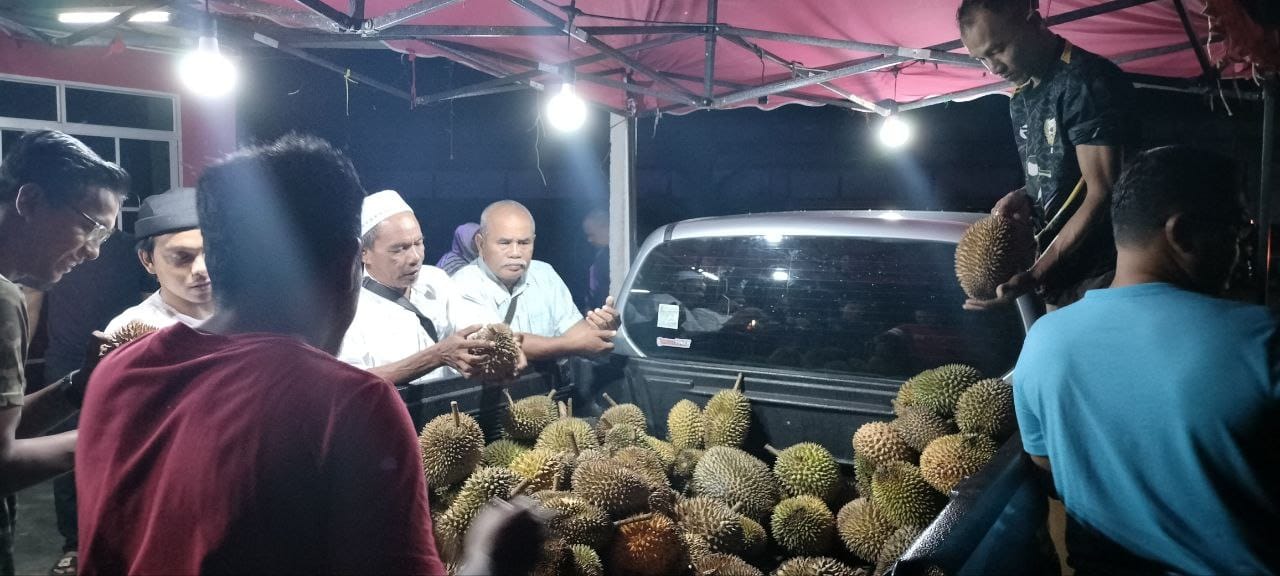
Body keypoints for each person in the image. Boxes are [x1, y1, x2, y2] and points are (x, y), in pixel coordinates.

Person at [75, 135, 540, 574]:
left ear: (215, 259)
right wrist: (487, 557)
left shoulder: (118, 371)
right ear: (349, 263)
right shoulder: (349, 405)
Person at [1013, 146, 1277, 573]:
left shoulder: (1043, 341)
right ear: (1183, 232)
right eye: (1234, 230)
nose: (1240, 249)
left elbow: (1047, 471)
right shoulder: (1263, 341)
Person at [0, 130, 128, 576]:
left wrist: (79, 387)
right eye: (90, 227)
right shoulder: (2, 298)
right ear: (30, 201)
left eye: (105, 238)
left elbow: (5, 433)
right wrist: (126, 436)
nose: (92, 252)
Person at [957, 0, 1137, 310]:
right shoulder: (1021, 96)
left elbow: (1104, 190)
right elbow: (1060, 174)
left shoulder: (1086, 81)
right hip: (1057, 277)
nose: (993, 67)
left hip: (1104, 275)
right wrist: (1024, 194)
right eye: (981, 58)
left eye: (998, 48)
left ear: (1032, 20)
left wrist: (1035, 273)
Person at [339, 191, 518, 385]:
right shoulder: (349, 308)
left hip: (450, 408)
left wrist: (495, 343)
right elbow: (352, 383)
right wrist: (436, 356)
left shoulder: (434, 280)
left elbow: (475, 324)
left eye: (419, 243)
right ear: (364, 253)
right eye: (400, 249)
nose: (415, 257)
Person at [453, 200, 619, 361]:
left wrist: (602, 330)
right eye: (504, 243)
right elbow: (498, 345)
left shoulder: (544, 274)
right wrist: (575, 344)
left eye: (524, 243)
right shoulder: (463, 284)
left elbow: (578, 334)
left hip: (549, 387)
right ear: (481, 244)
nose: (515, 252)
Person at [103, 187, 213, 333]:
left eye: (213, 252)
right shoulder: (132, 332)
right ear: (147, 260)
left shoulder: (250, 314)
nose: (202, 269)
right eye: (182, 257)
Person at [581, 208, 610, 310]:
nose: (589, 240)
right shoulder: (601, 256)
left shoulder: (611, 258)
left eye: (591, 234)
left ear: (605, 227)